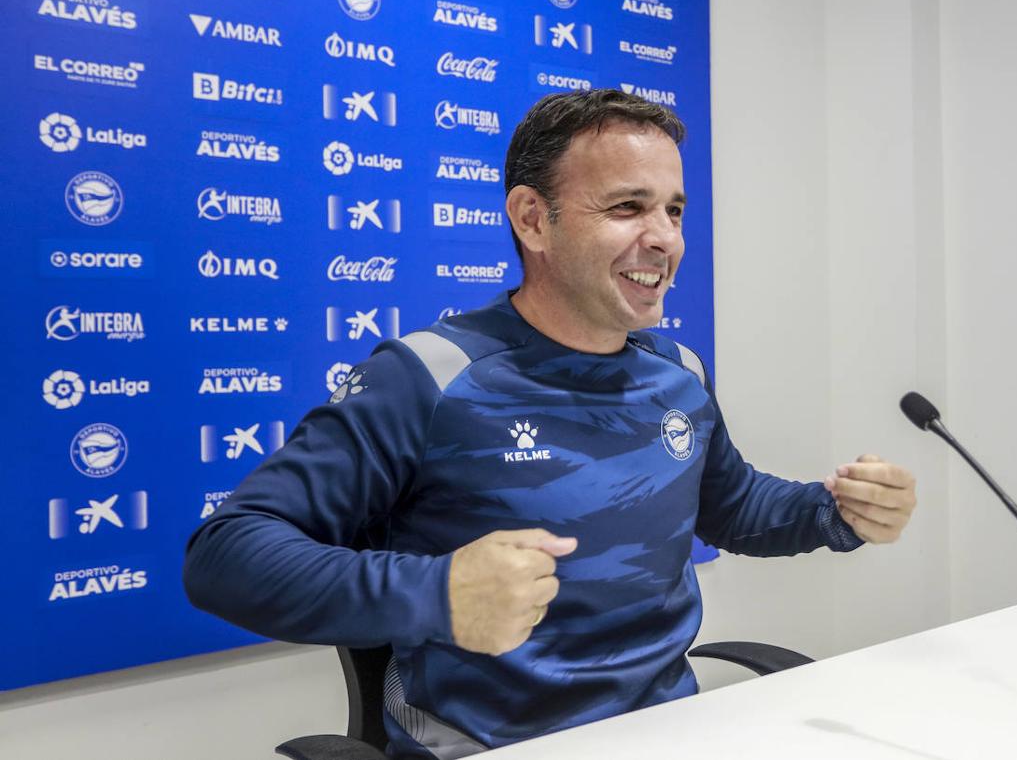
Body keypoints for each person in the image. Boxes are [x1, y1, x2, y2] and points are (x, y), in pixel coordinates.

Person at [183, 88, 918, 759]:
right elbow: (226, 556)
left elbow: (733, 507)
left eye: (674, 210)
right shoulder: (427, 376)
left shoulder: (679, 374)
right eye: (628, 208)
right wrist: (435, 594)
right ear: (534, 219)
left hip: (671, 733)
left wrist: (836, 511)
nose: (665, 237)